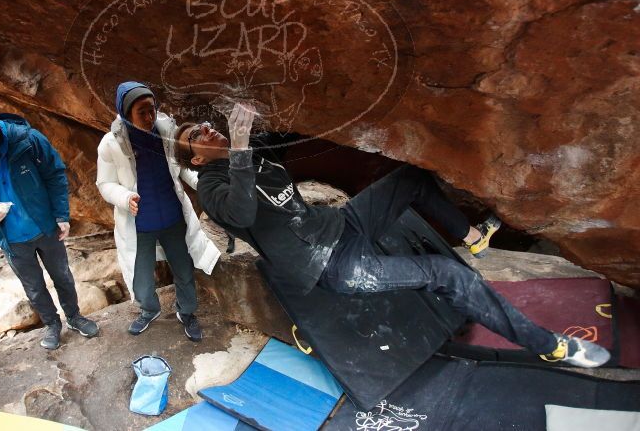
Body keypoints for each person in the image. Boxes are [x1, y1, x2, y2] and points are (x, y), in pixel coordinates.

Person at [174, 103, 611, 368]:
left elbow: (291, 129)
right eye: (196, 135)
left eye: (204, 124)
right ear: (195, 160)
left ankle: (472, 236)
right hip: (332, 264)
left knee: (410, 178)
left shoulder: (252, 153)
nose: (206, 129)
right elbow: (243, 211)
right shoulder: (213, 186)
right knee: (448, 275)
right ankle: (549, 346)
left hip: (340, 225)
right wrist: (240, 147)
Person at [0, 94, 98, 350]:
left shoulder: (26, 140)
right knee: (34, 287)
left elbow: (55, 175)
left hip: (46, 227)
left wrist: (62, 215)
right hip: (11, 238)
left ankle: (75, 317)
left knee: (62, 276)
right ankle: (52, 325)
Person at [96, 82, 220, 341]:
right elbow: (105, 184)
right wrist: (124, 197)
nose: (149, 117)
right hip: (139, 222)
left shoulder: (167, 132)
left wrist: (203, 184)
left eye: (152, 109)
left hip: (173, 216)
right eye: (141, 112)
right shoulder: (111, 144)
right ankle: (149, 310)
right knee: (141, 274)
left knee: (184, 268)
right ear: (126, 113)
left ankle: (187, 312)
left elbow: (183, 167)